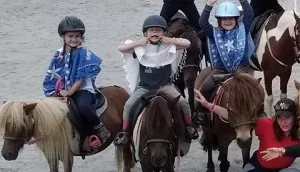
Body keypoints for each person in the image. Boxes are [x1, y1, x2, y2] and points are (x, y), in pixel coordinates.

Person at [115, 15, 196, 147]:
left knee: (182, 102)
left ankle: (188, 126)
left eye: (158, 30)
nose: (155, 33)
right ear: (146, 33)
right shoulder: (140, 47)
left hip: (165, 86)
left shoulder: (169, 46)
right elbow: (121, 48)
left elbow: (187, 43)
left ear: (163, 32)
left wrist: (169, 39)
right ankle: (125, 132)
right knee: (129, 105)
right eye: (151, 30)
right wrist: (139, 42)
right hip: (145, 87)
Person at [43, 16, 109, 151]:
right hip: (63, 89)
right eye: (70, 36)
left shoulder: (84, 54)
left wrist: (69, 92)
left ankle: (99, 128)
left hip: (82, 90)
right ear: (63, 37)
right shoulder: (59, 54)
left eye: (77, 36)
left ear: (81, 38)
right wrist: (54, 91)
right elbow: (54, 73)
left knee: (83, 107)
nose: (74, 39)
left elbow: (81, 79)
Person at [199, 0, 255, 80]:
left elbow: (249, 13)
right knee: (205, 88)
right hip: (220, 71)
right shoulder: (214, 33)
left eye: (230, 18)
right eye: (224, 19)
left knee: (256, 90)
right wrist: (210, 3)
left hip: (242, 70)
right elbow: (202, 22)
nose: (227, 21)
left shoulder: (243, 29)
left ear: (236, 20)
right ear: (219, 21)